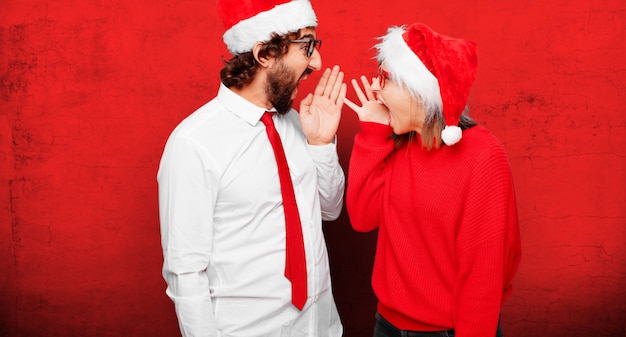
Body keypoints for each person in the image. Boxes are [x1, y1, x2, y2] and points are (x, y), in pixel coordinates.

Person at [157, 0, 347, 336]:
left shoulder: (298, 123)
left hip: (320, 326)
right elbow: (185, 273)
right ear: (264, 55)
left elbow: (329, 211)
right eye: (307, 46)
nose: (316, 62)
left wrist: (321, 144)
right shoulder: (194, 143)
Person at [343, 22, 522, 337]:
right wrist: (372, 133)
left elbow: (483, 276)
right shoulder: (400, 143)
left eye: (384, 78)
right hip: (386, 325)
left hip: (447, 332)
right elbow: (362, 216)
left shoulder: (483, 154)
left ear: (418, 91)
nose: (375, 88)